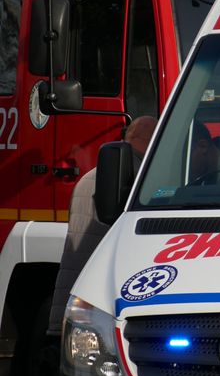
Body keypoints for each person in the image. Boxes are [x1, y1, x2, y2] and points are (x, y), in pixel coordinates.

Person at [47, 116, 157, 335]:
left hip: (76, 293)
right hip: (102, 301)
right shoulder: (139, 178)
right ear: (151, 140)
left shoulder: (90, 176)